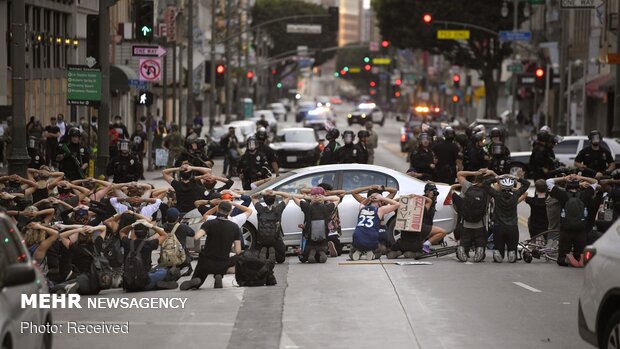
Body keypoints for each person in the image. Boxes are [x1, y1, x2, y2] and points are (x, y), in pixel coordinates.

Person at [181, 201, 242, 290]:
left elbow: (196, 237)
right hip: (222, 262)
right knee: (231, 260)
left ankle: (197, 280)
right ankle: (218, 275)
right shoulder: (235, 227)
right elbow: (238, 251)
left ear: (218, 209)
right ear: (230, 212)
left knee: (199, 275)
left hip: (206, 261)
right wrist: (228, 246)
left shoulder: (209, 223)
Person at [546, 174, 597, 267]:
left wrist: (564, 178)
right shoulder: (584, 195)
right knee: (580, 249)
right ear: (578, 186)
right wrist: (582, 177)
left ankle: (566, 258)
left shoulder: (562, 195)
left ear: (566, 186)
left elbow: (548, 181)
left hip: (566, 227)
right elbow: (595, 182)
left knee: (561, 257)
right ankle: (580, 258)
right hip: (581, 227)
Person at [119, 220, 179, 291]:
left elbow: (121, 232)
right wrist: (151, 226)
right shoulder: (148, 244)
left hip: (128, 283)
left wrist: (132, 225)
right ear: (146, 233)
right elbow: (165, 235)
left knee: (159, 268)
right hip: (144, 280)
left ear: (134, 233)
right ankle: (155, 284)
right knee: (165, 270)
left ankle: (154, 284)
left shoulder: (127, 243)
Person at [483, 173, 530, 263]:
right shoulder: (515, 195)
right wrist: (516, 177)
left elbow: (485, 183)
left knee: (498, 248)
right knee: (512, 248)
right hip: (512, 226)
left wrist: (497, 177)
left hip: (499, 226)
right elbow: (527, 184)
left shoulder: (496, 195)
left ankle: (498, 254)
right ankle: (512, 254)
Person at [454, 169, 494, 262]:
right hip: (481, 223)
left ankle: (462, 248)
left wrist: (475, 172)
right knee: (480, 241)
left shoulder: (468, 186)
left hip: (466, 223)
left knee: (464, 240)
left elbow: (459, 174)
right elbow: (500, 184)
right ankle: (480, 250)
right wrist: (492, 173)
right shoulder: (488, 191)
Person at [350, 186, 400, 261]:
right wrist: (370, 189)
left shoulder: (363, 206)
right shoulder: (381, 206)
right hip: (372, 232)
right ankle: (369, 252)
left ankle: (361, 252)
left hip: (374, 230)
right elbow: (397, 204)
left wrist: (382, 189)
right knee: (379, 248)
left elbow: (394, 191)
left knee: (362, 245)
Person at [292, 187, 340, 263]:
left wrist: (310, 197)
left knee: (307, 254)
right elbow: (337, 198)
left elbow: (294, 196)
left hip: (310, 240)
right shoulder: (327, 208)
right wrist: (324, 198)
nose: (317, 196)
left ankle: (311, 254)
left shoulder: (307, 207)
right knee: (321, 249)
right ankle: (322, 253)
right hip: (323, 241)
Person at [251, 189, 290, 263]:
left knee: (260, 256)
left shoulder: (260, 209)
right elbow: (287, 197)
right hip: (275, 240)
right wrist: (276, 192)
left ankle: (265, 250)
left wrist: (261, 192)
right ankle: (273, 251)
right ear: (274, 199)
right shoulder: (278, 209)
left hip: (262, 240)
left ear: (264, 200)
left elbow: (253, 197)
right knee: (281, 259)